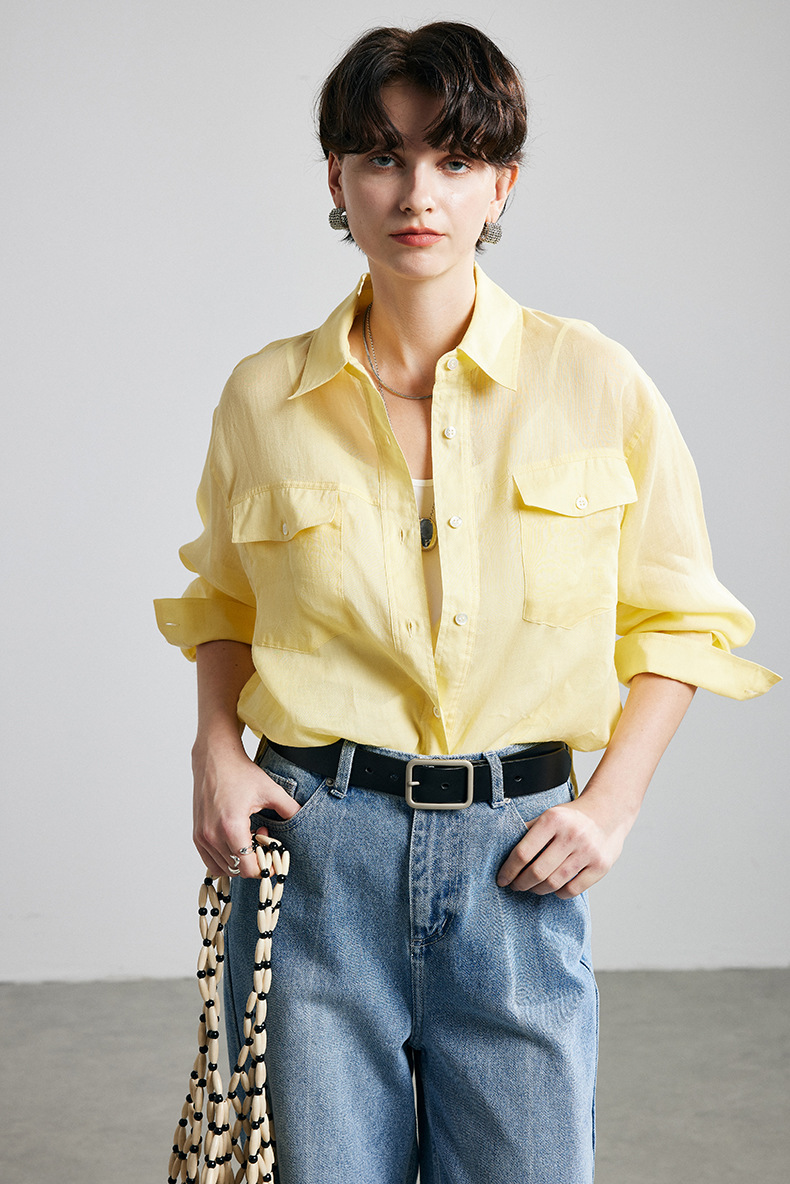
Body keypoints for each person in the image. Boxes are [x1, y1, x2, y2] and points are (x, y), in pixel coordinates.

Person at [155, 21, 778, 1184]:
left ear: (502, 184)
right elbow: (225, 597)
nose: (416, 193)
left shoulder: (594, 380)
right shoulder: (264, 396)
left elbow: (681, 617)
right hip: (317, 847)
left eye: (454, 158)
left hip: (515, 857)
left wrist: (612, 803)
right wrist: (215, 751)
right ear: (336, 178)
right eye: (382, 156)